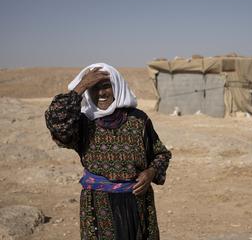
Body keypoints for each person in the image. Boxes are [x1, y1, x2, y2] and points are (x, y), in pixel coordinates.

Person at [45, 63, 172, 240]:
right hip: (97, 206)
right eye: (93, 88)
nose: (101, 93)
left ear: (117, 87)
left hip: (138, 203)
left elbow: (161, 154)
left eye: (106, 86)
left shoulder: (138, 120)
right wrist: (81, 86)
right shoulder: (82, 124)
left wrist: (151, 172)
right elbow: (56, 120)